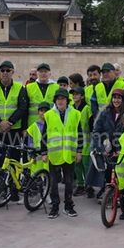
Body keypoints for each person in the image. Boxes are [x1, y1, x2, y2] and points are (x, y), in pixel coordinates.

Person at [0, 60, 29, 201]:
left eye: (8, 70)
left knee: (14, 161)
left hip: (13, 131)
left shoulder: (20, 88)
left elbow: (23, 108)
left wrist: (10, 122)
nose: (5, 73)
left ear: (12, 72)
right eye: (2, 70)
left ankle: (14, 191)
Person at [40, 89, 82, 218]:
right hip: (54, 154)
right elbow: (44, 135)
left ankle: (68, 206)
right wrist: (44, 152)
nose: (60, 101)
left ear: (67, 100)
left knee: (69, 182)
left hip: (69, 154)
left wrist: (79, 151)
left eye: (63, 98)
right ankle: (55, 206)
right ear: (55, 101)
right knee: (53, 182)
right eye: (58, 99)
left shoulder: (75, 114)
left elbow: (79, 133)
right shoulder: (49, 115)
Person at [91, 88, 124, 199]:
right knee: (108, 171)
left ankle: (122, 195)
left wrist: (121, 149)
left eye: (119, 98)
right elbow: (96, 130)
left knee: (120, 173)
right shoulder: (105, 112)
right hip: (107, 148)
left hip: (121, 148)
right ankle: (108, 192)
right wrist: (101, 147)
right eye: (114, 97)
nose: (116, 100)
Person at [71, 87, 94, 196]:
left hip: (85, 141)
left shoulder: (86, 109)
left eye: (77, 94)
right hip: (73, 141)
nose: (74, 96)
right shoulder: (70, 109)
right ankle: (80, 185)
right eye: (73, 94)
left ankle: (89, 186)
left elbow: (91, 125)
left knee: (86, 164)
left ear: (82, 96)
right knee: (76, 164)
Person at [26, 63, 57, 129]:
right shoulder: (29, 87)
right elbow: (24, 108)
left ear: (50, 73)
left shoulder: (56, 87)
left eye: (45, 71)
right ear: (37, 73)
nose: (43, 73)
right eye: (41, 71)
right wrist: (24, 127)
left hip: (51, 124)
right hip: (33, 125)